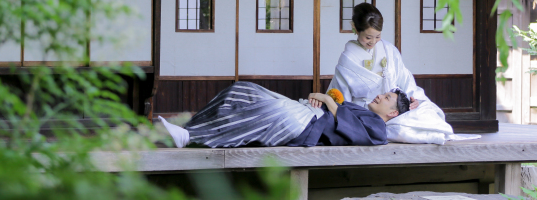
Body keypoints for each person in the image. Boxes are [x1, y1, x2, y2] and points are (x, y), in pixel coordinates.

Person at [158, 81, 410, 148]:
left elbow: (346, 124)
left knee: (270, 110)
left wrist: (325, 99)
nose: (380, 96)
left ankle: (190, 138)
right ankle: (189, 129)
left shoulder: (379, 129)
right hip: (306, 113)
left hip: (309, 127)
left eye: (387, 98)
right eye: (383, 93)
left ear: (393, 112)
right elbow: (338, 111)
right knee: (243, 90)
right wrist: (320, 100)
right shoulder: (364, 110)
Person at [328, 3, 427, 110]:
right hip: (364, 110)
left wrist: (413, 98)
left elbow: (404, 77)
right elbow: (342, 94)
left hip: (393, 108)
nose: (373, 41)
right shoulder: (348, 59)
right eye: (368, 37)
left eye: (378, 36)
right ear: (356, 29)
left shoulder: (388, 49)